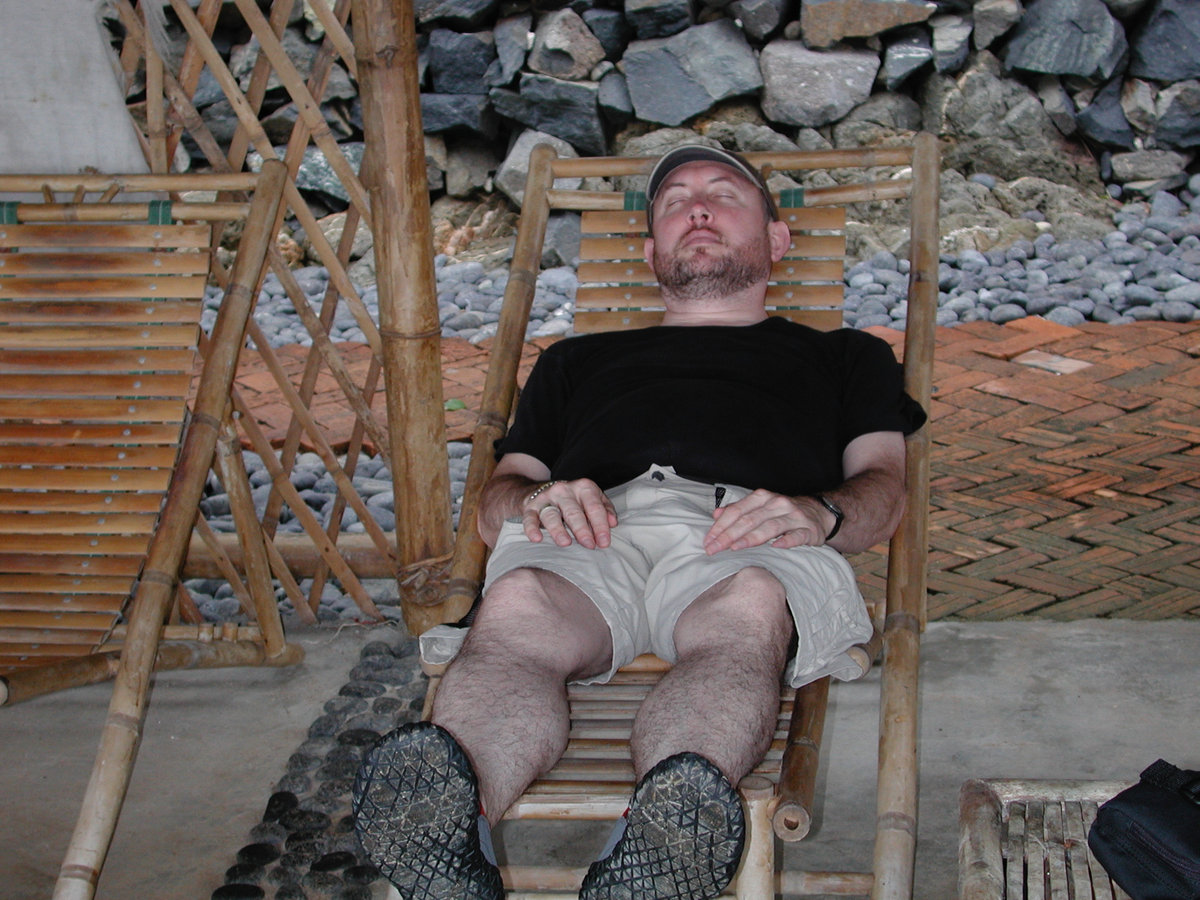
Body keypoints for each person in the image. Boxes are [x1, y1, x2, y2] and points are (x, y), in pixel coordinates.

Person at [351, 145, 927, 900]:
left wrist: (819, 512)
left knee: (748, 606)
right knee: (517, 605)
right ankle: (452, 845)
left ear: (777, 240)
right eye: (675, 200)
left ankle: (654, 853)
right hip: (592, 526)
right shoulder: (574, 361)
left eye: (724, 194)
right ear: (652, 252)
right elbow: (499, 497)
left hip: (749, 531)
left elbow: (885, 489)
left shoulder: (846, 356)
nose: (698, 207)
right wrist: (533, 502)